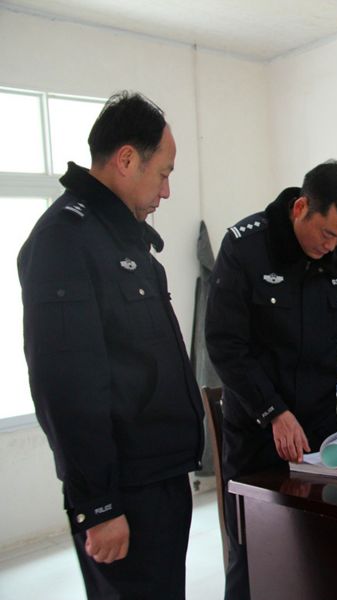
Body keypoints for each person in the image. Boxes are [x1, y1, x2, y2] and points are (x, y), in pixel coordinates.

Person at [17, 91, 204, 599]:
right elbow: (65, 386)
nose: (167, 190)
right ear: (126, 160)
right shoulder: (65, 240)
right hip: (124, 490)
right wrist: (99, 506)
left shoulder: (121, 235)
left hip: (158, 477)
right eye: (162, 173)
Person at [205, 160, 337, 600]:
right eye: (327, 233)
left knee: (317, 548)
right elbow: (225, 345)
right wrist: (274, 412)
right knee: (253, 554)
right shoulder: (246, 248)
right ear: (301, 208)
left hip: (320, 434)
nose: (332, 245)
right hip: (257, 432)